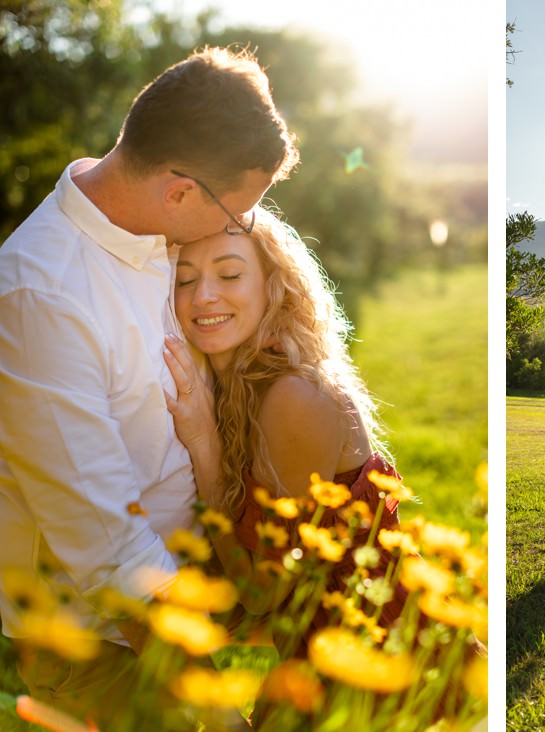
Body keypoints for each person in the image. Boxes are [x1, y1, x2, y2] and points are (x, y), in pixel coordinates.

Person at [0, 47, 297, 724]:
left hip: (192, 589)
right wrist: (211, 705)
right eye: (240, 210)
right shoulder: (39, 296)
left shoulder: (162, 234)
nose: (238, 228)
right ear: (180, 190)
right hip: (108, 639)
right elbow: (104, 547)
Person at [162, 208, 403, 652]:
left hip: (381, 653)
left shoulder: (294, 395)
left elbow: (262, 593)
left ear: (273, 287)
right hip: (321, 647)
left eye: (230, 274)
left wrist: (204, 446)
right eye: (185, 280)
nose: (204, 297)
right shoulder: (233, 386)